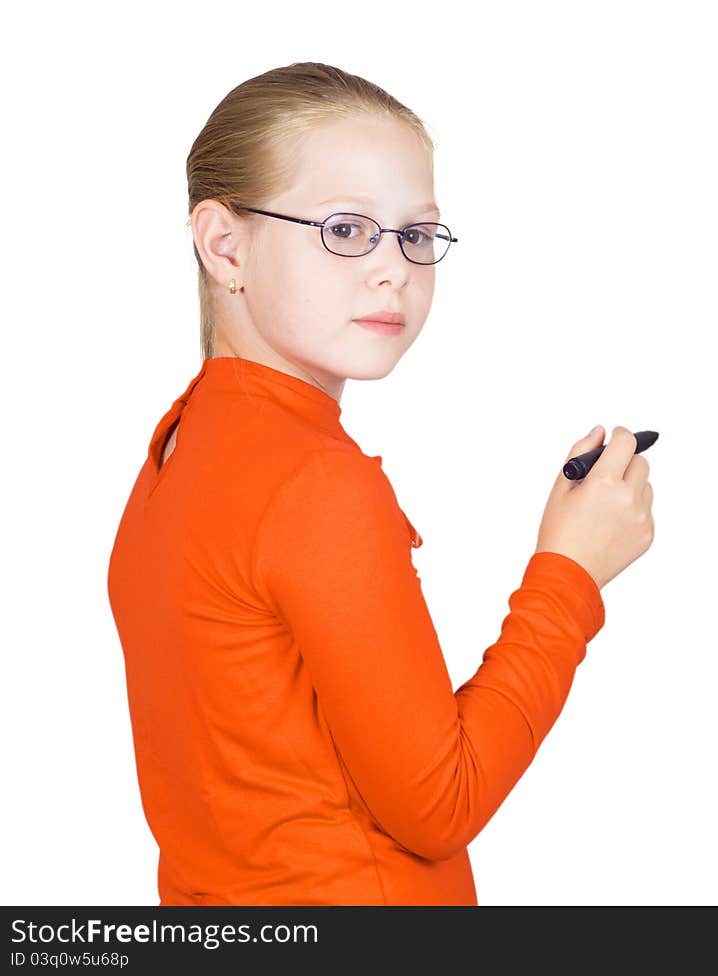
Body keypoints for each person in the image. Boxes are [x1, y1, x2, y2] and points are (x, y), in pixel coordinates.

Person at [106, 61, 655, 907]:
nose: (395, 268)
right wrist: (570, 572)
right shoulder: (315, 484)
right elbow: (440, 804)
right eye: (346, 230)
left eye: (417, 234)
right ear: (226, 246)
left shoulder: (179, 444)